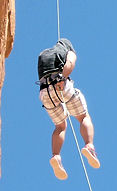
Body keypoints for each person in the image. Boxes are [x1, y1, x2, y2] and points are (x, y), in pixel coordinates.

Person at [37, 38, 99, 180]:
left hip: (45, 93)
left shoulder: (43, 55)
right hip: (61, 84)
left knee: (60, 126)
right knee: (83, 117)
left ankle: (56, 156)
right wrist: (62, 77)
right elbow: (70, 63)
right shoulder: (68, 50)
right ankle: (89, 146)